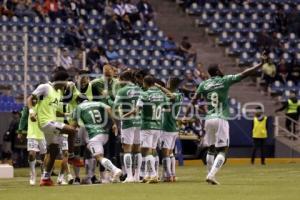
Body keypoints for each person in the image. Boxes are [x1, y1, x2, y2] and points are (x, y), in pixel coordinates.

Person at [184, 56, 265, 185]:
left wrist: (185, 116)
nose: (222, 70)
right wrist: (260, 65)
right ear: (216, 71)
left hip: (208, 119)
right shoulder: (224, 80)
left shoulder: (203, 84)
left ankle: (209, 173)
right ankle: (211, 175)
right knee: (222, 150)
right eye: (220, 69)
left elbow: (193, 101)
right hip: (221, 119)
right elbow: (245, 73)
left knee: (210, 149)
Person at [27, 68, 77, 186]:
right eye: (66, 82)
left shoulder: (58, 93)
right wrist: (31, 112)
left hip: (51, 123)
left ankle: (45, 178)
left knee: (53, 151)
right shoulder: (45, 87)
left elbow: (54, 110)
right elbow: (30, 98)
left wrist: (68, 114)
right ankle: (72, 156)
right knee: (72, 131)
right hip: (46, 122)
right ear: (60, 80)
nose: (66, 85)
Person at [124, 75, 167, 183]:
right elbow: (167, 107)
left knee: (145, 151)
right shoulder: (161, 94)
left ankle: (153, 175)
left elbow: (136, 110)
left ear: (145, 83)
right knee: (152, 150)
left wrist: (125, 115)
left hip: (147, 125)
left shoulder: (144, 94)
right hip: (158, 126)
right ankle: (149, 175)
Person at [70, 98, 122, 183]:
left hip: (94, 135)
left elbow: (73, 126)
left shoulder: (79, 107)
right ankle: (90, 176)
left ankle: (115, 170)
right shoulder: (98, 103)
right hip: (104, 133)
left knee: (99, 157)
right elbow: (108, 108)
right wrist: (114, 123)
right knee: (90, 149)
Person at [114, 70, 143, 183]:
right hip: (139, 121)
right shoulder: (139, 89)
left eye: (120, 79)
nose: (119, 81)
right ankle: (137, 176)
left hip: (127, 122)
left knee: (127, 149)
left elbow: (115, 106)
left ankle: (130, 176)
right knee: (137, 149)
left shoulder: (122, 91)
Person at [155, 77, 183, 182]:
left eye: (168, 82)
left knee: (165, 152)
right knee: (170, 153)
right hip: (173, 127)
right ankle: (172, 175)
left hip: (167, 127)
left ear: (171, 84)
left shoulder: (175, 95)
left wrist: (159, 87)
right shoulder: (179, 95)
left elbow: (170, 96)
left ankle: (167, 176)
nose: (166, 83)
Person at [17, 104, 47, 186]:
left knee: (44, 156)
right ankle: (33, 174)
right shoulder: (27, 107)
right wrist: (20, 130)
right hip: (32, 134)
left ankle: (43, 173)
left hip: (43, 134)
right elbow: (23, 118)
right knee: (31, 154)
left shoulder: (44, 104)